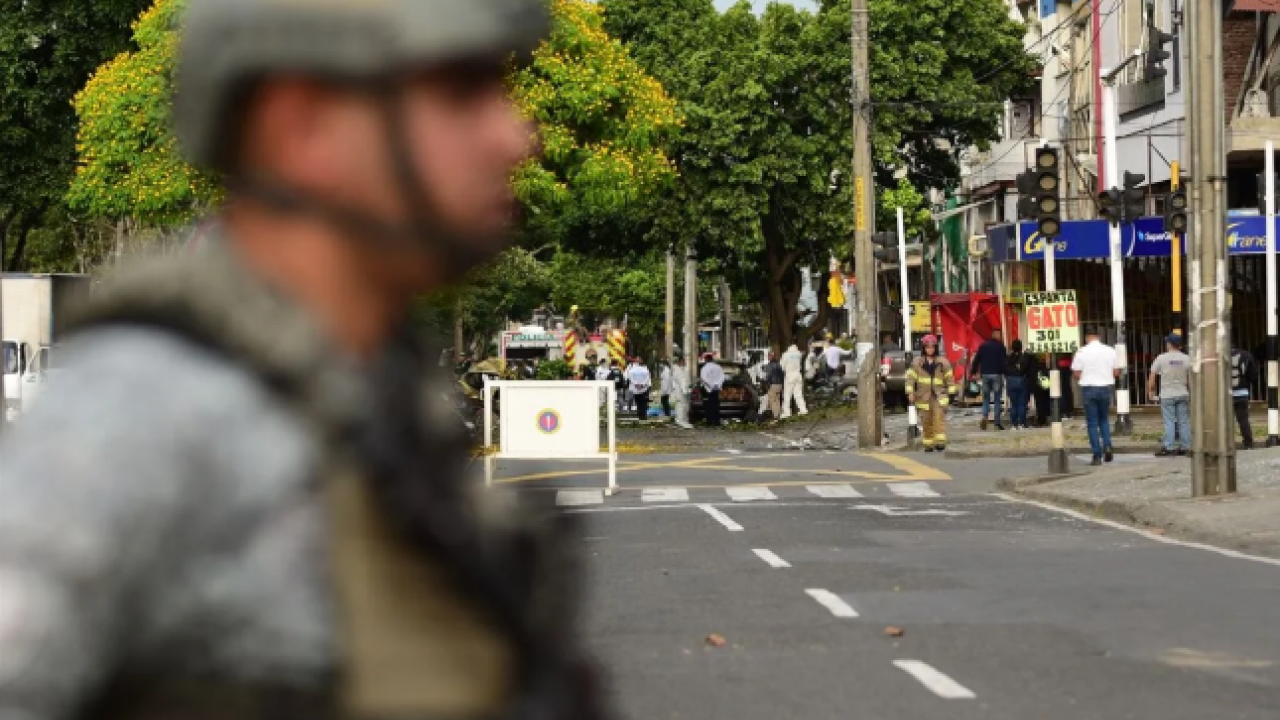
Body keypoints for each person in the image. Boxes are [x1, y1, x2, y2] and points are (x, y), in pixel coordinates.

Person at [0, 0, 609, 717]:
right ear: (302, 126)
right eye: (459, 91)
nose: (517, 137)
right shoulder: (147, 416)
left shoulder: (374, 391)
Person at [1072, 327, 1121, 466]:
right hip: (1105, 388)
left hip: (1089, 389)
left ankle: (1097, 455)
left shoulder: (1081, 352)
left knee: (1092, 423)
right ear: (1098, 336)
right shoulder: (1110, 351)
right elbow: (1116, 372)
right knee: (1104, 420)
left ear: (1087, 337)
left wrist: (1087, 376)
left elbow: (1076, 373)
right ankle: (1108, 445)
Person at [905, 334, 957, 452]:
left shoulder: (943, 362)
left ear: (936, 348)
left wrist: (952, 394)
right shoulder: (917, 363)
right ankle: (928, 443)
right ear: (924, 348)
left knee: (939, 418)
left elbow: (950, 379)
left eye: (932, 347)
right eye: (927, 347)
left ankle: (940, 442)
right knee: (926, 421)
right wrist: (910, 392)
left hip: (939, 396)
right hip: (923, 397)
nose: (930, 349)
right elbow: (910, 379)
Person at [1149, 334, 1192, 457]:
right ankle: (1185, 446)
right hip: (1182, 393)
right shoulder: (1186, 358)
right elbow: (1190, 378)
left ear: (1169, 344)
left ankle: (1169, 447)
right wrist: (1189, 392)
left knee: (1169, 421)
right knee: (1183, 421)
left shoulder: (1161, 358)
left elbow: (1152, 376)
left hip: (1167, 395)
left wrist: (1151, 391)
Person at [971, 329, 1008, 430]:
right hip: (997, 375)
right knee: (997, 399)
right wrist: (1007, 373)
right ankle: (997, 422)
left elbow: (977, 359)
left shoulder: (983, 346)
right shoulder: (1001, 347)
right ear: (997, 335)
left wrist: (974, 371)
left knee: (986, 398)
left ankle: (984, 416)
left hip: (985, 375)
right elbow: (1004, 362)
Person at [1231, 343, 1258, 450]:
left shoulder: (1220, 356)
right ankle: (1248, 443)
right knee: (1243, 419)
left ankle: (1226, 443)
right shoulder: (1246, 355)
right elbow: (1253, 374)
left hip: (1224, 394)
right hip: (1242, 392)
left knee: (1224, 420)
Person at [1004, 339, 1033, 430]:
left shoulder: (1008, 358)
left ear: (1012, 348)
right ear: (1021, 348)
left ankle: (1013, 424)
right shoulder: (1024, 357)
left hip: (1010, 381)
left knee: (1014, 404)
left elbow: (1005, 370)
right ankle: (1022, 423)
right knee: (1022, 404)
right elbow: (1027, 369)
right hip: (1022, 381)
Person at [780, 342, 809, 419]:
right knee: (798, 394)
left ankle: (787, 412)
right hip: (798, 375)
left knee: (787, 395)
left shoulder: (785, 354)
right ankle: (803, 410)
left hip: (790, 375)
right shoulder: (798, 354)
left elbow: (782, 367)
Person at [700, 353, 725, 427]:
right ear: (712, 359)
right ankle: (717, 421)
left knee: (708, 406)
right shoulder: (718, 367)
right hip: (716, 389)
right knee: (716, 405)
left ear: (706, 359)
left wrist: (711, 385)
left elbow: (704, 378)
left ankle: (710, 422)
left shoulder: (704, 368)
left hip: (707, 389)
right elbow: (722, 377)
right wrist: (717, 385)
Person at [671, 355, 693, 429]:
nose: (685, 362)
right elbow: (682, 381)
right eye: (684, 361)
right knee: (681, 406)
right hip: (681, 392)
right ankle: (680, 421)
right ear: (681, 362)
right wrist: (685, 391)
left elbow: (685, 381)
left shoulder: (682, 370)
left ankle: (684, 420)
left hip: (683, 391)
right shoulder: (678, 370)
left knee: (685, 406)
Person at [629, 357, 652, 421]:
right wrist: (642, 385)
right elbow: (647, 378)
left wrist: (636, 384)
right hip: (643, 389)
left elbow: (631, 378)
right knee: (643, 403)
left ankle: (640, 415)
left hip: (636, 389)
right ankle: (643, 416)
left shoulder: (632, 369)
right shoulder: (645, 369)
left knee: (638, 403)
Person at [764, 351, 784, 420]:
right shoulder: (778, 364)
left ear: (770, 357)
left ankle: (775, 416)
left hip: (773, 385)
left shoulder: (769, 366)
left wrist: (767, 385)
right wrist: (782, 383)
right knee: (777, 400)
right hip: (779, 385)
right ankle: (779, 414)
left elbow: (768, 376)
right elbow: (782, 375)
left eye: (769, 356)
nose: (768, 357)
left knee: (772, 401)